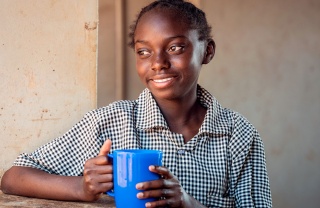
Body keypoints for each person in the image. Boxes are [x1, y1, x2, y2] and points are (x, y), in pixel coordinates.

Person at [1, 0, 272, 207]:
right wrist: (82, 188)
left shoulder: (238, 134)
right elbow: (12, 178)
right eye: (144, 51)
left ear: (207, 51)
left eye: (175, 47)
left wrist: (189, 204)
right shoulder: (111, 123)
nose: (157, 63)